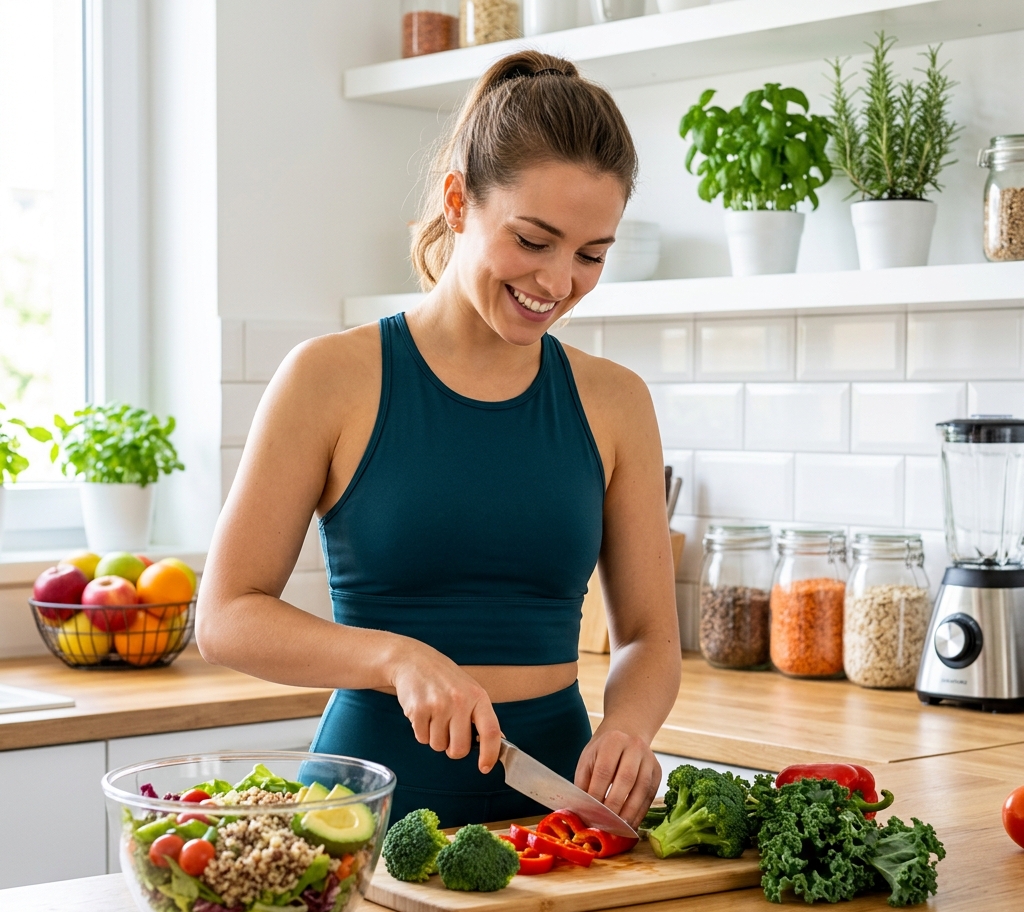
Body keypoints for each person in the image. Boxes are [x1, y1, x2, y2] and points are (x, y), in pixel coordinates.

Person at [196, 50, 681, 829]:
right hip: (366, 809)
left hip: (558, 812)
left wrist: (629, 727)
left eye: (592, 254)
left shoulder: (615, 400)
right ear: (459, 202)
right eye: (533, 240)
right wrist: (395, 656)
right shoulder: (329, 376)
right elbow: (225, 616)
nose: (558, 283)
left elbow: (650, 640)